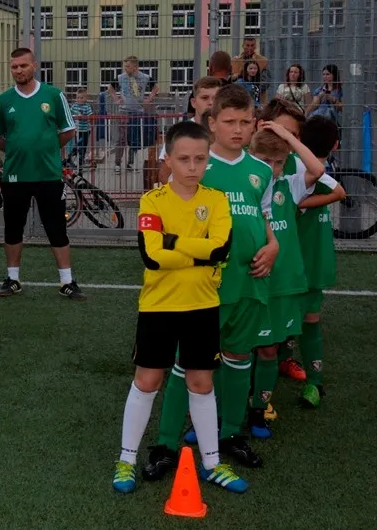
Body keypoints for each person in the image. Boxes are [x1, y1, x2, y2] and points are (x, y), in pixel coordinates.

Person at [147, 85, 277, 480]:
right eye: (229, 121)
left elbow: (264, 216)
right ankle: (166, 444)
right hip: (204, 288)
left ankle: (230, 433)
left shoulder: (261, 171)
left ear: (254, 124)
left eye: (245, 121)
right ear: (212, 123)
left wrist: (272, 245)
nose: (237, 129)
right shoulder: (200, 166)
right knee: (186, 364)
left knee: (239, 358)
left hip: (249, 282)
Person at [112, 121, 246, 495]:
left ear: (208, 160)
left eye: (200, 159)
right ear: (168, 159)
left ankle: (212, 464)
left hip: (202, 305)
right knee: (147, 381)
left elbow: (221, 249)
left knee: (201, 383)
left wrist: (174, 242)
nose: (192, 166)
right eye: (184, 159)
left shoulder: (216, 200)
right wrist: (198, 251)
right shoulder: (152, 201)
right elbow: (152, 256)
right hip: (159, 306)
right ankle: (126, 460)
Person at [244, 114, 324, 440]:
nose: (273, 169)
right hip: (249, 281)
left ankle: (259, 410)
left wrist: (287, 137)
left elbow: (317, 170)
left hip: (281, 285)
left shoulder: (288, 186)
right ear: (251, 156)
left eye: (278, 162)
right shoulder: (242, 187)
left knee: (269, 351)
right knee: (235, 350)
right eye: (266, 161)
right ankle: (226, 412)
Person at [0, 48, 85, 300]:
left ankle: (67, 281)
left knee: (56, 228)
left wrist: (47, 149)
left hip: (49, 174)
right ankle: (13, 279)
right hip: (15, 176)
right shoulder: (3, 101)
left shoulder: (53, 95)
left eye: (23, 65)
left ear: (34, 66)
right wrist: (18, 149)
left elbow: (68, 131)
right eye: (14, 66)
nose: (18, 70)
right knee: (13, 228)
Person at [293, 116, 346, 408]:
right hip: (297, 258)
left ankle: (314, 381)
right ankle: (312, 381)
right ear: (335, 144)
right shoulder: (301, 167)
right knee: (299, 321)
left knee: (305, 319)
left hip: (309, 257)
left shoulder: (308, 168)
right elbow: (339, 192)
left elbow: (336, 191)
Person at [157, 77, 222, 184]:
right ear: (193, 102)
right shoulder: (180, 132)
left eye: (215, 98)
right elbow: (164, 175)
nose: (211, 103)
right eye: (205, 98)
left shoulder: (226, 132)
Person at [109, 56, 158, 173]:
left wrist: (149, 98)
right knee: (121, 139)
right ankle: (117, 164)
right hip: (124, 111)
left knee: (134, 138)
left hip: (137, 112)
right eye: (124, 66)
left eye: (128, 66)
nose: (125, 69)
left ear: (135, 67)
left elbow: (156, 87)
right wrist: (116, 98)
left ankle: (130, 163)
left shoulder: (145, 77)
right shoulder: (121, 77)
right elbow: (110, 87)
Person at [69, 88, 94, 169]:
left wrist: (85, 117)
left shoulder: (87, 106)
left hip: (85, 130)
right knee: (78, 145)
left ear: (86, 98)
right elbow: (70, 114)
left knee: (83, 146)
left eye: (81, 98)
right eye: (78, 97)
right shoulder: (74, 106)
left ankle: (80, 161)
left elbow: (90, 116)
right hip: (77, 130)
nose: (79, 99)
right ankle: (74, 157)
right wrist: (74, 117)